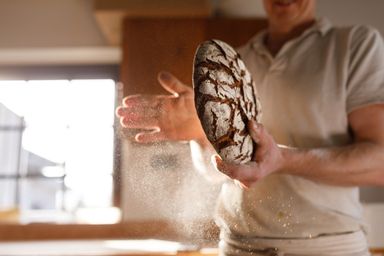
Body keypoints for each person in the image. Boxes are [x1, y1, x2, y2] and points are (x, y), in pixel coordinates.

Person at [116, 0, 384, 255]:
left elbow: (379, 164)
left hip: (325, 249)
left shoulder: (354, 45)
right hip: (237, 247)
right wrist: (200, 134)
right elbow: (221, 173)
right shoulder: (235, 62)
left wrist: (283, 159)